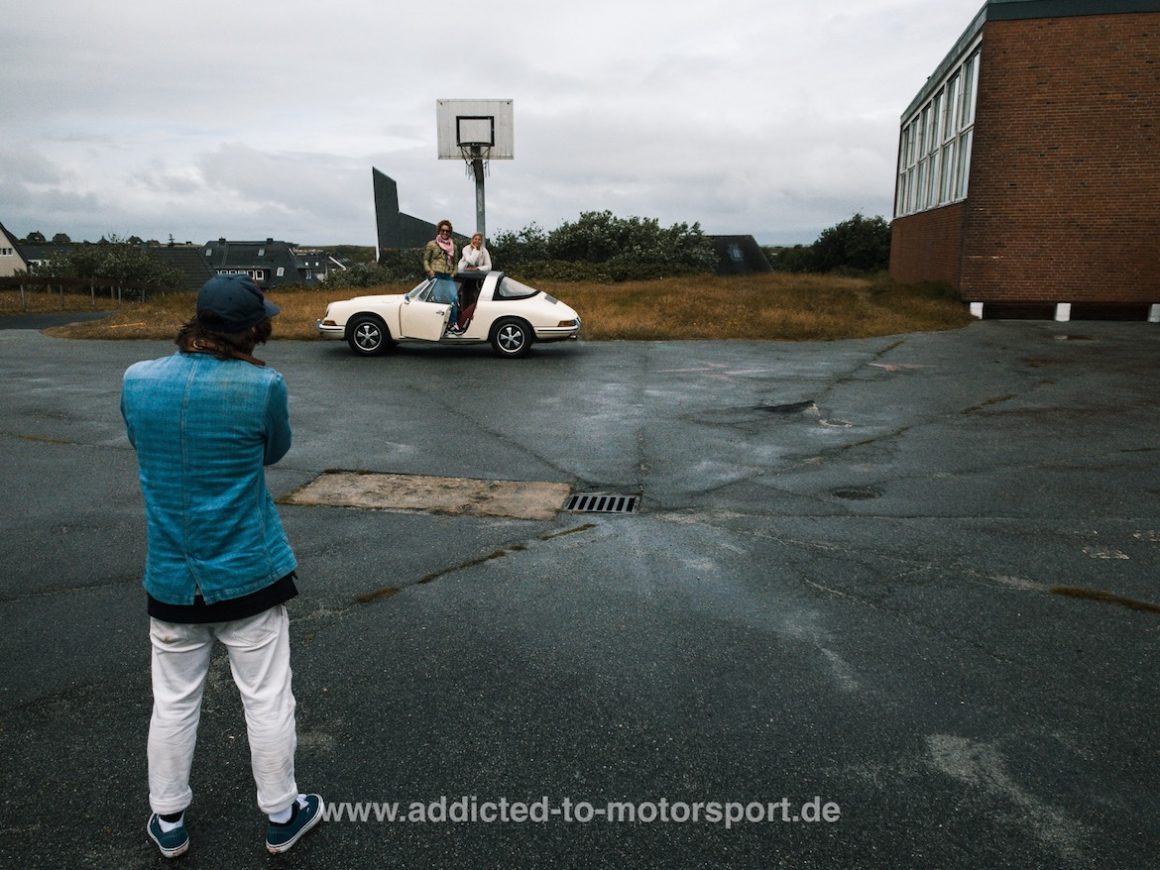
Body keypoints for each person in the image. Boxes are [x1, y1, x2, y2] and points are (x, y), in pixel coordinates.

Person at [121, 274, 323, 859]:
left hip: (171, 578)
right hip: (249, 572)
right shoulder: (263, 385)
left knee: (174, 699)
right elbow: (273, 451)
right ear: (252, 331)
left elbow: (141, 441)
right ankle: (282, 814)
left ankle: (169, 818)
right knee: (266, 698)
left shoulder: (136, 380)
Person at [423, 219, 460, 333]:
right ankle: (440, 325)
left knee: (453, 298)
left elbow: (455, 263)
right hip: (436, 275)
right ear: (439, 231)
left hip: (448, 276)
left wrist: (454, 273)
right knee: (439, 300)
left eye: (447, 231)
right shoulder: (432, 244)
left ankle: (452, 324)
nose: (445, 233)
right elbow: (425, 260)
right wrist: (429, 271)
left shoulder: (453, 246)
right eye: (443, 230)